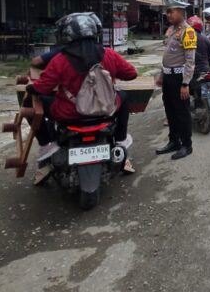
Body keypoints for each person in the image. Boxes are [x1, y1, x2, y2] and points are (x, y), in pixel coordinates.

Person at [31, 12, 138, 179]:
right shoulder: (109, 54)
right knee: (123, 97)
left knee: (32, 104)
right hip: (105, 110)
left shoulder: (60, 59)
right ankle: (121, 140)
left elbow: (43, 87)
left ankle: (46, 144)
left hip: (68, 113)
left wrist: (32, 88)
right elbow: (131, 74)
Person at [156, 0, 196, 160]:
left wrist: (185, 83)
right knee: (170, 111)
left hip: (180, 78)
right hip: (168, 77)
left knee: (182, 113)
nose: (168, 15)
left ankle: (187, 144)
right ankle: (174, 141)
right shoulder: (171, 30)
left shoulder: (188, 31)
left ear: (180, 12)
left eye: (171, 12)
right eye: (167, 12)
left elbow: (190, 60)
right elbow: (167, 55)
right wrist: (162, 74)